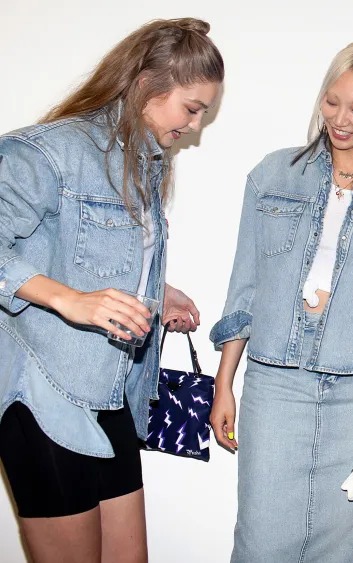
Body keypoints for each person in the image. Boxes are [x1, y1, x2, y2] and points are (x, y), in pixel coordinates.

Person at [0, 18, 222, 562]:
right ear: (147, 85)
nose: (195, 125)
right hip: (42, 392)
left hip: (110, 390)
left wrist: (157, 289)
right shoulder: (48, 152)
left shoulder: (141, 164)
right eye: (192, 109)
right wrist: (71, 300)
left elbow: (88, 251)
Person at [208, 40, 353, 562]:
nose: (340, 119)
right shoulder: (273, 176)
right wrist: (224, 383)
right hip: (275, 383)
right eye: (332, 102)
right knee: (261, 542)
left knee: (343, 546)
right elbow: (244, 286)